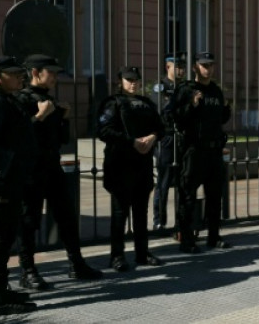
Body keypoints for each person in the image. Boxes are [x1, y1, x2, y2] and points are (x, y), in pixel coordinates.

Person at [16, 55, 102, 290]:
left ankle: (76, 264)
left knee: (66, 216)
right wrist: (39, 116)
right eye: (50, 72)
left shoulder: (49, 100)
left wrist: (63, 119)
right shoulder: (21, 100)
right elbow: (19, 138)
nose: (55, 77)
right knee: (29, 220)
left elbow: (62, 140)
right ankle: (27, 271)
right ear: (35, 72)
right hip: (31, 170)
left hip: (52, 167)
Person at [98, 66, 165, 271]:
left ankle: (142, 253)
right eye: (128, 80)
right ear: (120, 81)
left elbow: (161, 127)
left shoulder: (146, 103)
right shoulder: (112, 103)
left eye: (136, 79)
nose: (133, 83)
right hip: (120, 165)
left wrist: (153, 136)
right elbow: (103, 131)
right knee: (120, 213)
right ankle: (116, 256)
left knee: (140, 213)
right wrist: (131, 141)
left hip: (142, 165)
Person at [0, 56, 39, 316]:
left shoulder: (6, 100)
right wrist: (5, 165)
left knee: (4, 238)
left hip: (9, 182)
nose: (21, 76)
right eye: (13, 73)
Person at [174, 52, 232, 253]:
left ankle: (213, 237)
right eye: (204, 65)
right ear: (195, 68)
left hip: (214, 151)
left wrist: (227, 109)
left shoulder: (216, 91)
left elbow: (221, 119)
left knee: (215, 196)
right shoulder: (186, 90)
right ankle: (187, 239)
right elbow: (175, 117)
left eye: (210, 65)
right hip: (194, 150)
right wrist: (191, 105)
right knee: (188, 196)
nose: (208, 69)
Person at [152, 52, 185, 232]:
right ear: (168, 67)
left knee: (183, 182)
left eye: (182, 66)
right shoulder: (161, 87)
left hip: (182, 138)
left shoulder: (185, 87)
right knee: (163, 183)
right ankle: (159, 220)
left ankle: (181, 220)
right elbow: (161, 111)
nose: (181, 70)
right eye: (177, 66)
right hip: (166, 138)